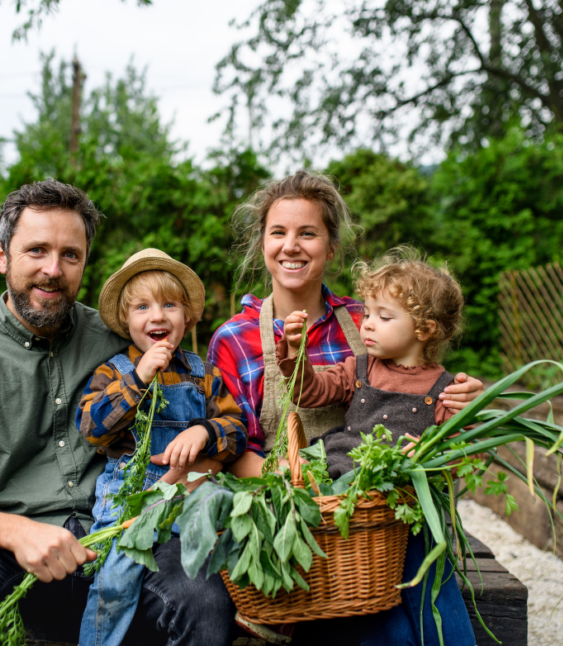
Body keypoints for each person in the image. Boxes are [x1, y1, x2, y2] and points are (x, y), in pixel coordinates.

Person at [0, 180, 236, 646]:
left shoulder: (120, 341)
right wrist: (19, 533)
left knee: (203, 600)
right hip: (15, 552)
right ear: (2, 256)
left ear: (84, 261)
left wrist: (197, 460)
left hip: (128, 534)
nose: (52, 270)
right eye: (36, 250)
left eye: (70, 255)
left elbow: (199, 411)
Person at [206, 172, 484, 645]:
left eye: (308, 233)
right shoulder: (234, 338)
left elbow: (413, 391)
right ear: (263, 243)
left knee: (405, 614)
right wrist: (307, 492)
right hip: (296, 525)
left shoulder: (369, 319)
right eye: (278, 232)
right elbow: (231, 449)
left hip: (378, 528)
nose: (291, 246)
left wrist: (461, 398)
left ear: (331, 247)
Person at [278, 247, 476, 645]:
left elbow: (459, 459)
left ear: (425, 329)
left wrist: (427, 457)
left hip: (405, 510)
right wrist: (295, 353)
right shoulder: (361, 367)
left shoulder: (445, 391)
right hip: (349, 497)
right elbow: (310, 390)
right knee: (375, 611)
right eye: (367, 313)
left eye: (384, 317)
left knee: (431, 587)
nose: (367, 325)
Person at [76, 249, 247, 646]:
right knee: (114, 582)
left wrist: (204, 431)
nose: (157, 316)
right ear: (126, 320)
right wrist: (138, 378)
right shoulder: (114, 371)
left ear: (187, 317)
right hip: (130, 499)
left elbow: (237, 431)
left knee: (220, 558)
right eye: (142, 307)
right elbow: (91, 427)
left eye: (170, 305)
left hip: (189, 496)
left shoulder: (204, 374)